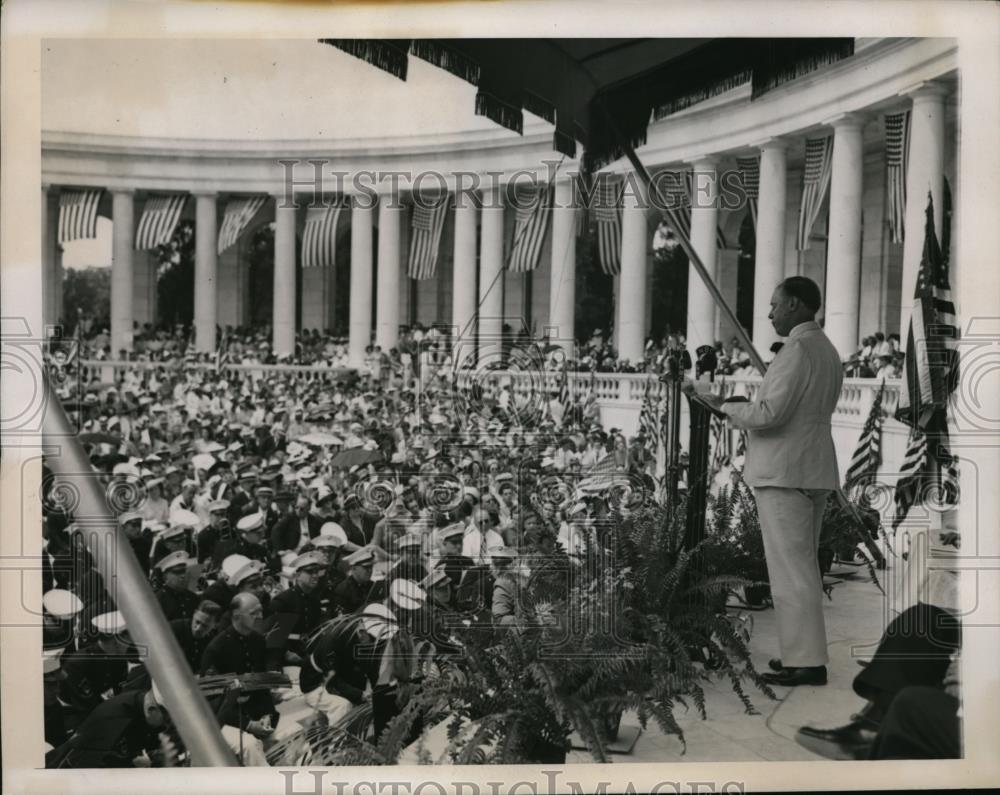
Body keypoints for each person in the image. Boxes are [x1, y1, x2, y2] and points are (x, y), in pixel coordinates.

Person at [690, 276, 842, 686]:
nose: (771, 313)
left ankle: (806, 664)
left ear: (794, 305)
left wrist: (724, 405)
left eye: (775, 305)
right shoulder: (826, 349)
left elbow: (769, 414)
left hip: (785, 471)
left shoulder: (796, 349)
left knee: (791, 572)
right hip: (813, 468)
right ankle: (803, 656)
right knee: (803, 567)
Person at [46, 685, 168, 768]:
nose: (167, 724)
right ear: (152, 710)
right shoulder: (115, 725)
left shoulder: (141, 701)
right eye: (167, 719)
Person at [153, 550, 200, 623]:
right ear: (165, 577)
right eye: (177, 572)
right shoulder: (159, 600)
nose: (183, 576)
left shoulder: (192, 597)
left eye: (184, 571)